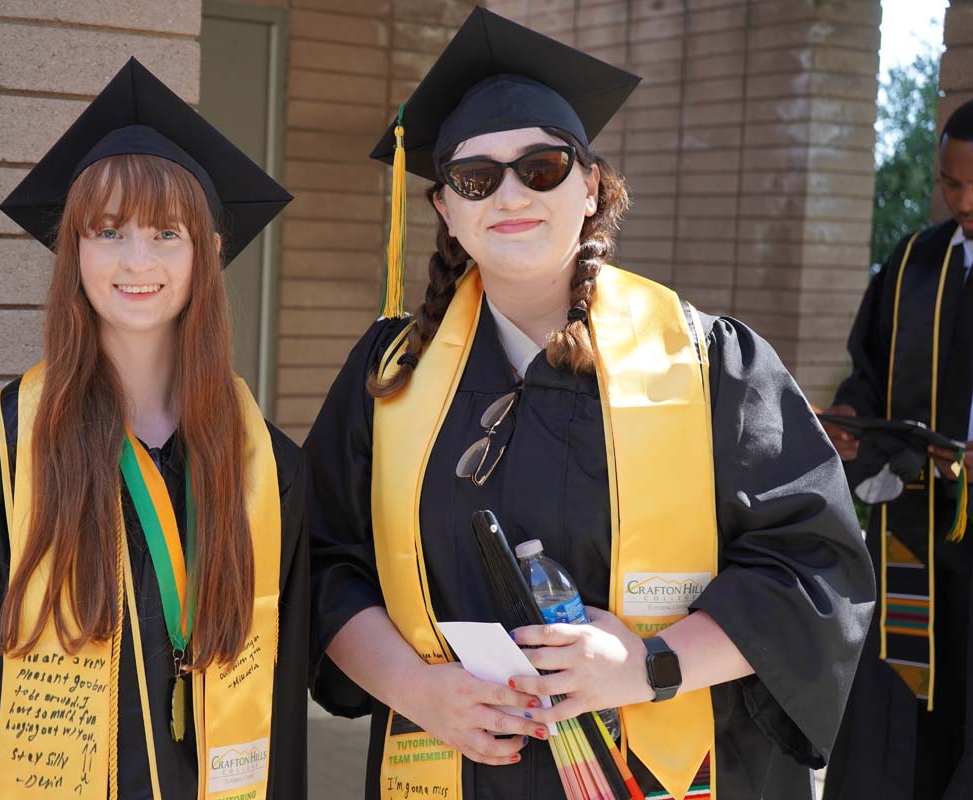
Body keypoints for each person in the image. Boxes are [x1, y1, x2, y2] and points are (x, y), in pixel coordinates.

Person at [306, 8, 875, 800]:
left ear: (592, 185)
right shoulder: (390, 375)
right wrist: (417, 690)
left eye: (540, 167)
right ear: (445, 209)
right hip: (455, 767)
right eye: (477, 178)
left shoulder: (709, 363)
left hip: (664, 767)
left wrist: (652, 664)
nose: (510, 194)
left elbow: (812, 569)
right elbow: (325, 562)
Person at [0, 58, 307, 800]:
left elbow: (281, 711)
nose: (137, 260)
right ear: (74, 251)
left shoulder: (267, 470)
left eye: (167, 232)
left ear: (209, 253)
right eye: (107, 230)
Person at [821, 100, 973, 800]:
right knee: (902, 709)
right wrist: (851, 416)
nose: (962, 200)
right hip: (914, 527)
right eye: (950, 183)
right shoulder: (915, 262)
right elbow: (868, 373)